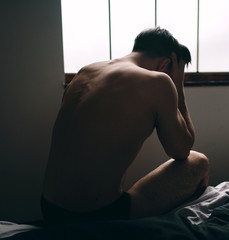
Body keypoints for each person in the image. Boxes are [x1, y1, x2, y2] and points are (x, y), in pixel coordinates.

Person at [41, 27, 209, 224]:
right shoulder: (160, 82)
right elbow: (182, 150)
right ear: (165, 64)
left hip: (49, 209)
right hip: (96, 215)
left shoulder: (85, 71)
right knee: (199, 162)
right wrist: (177, 84)